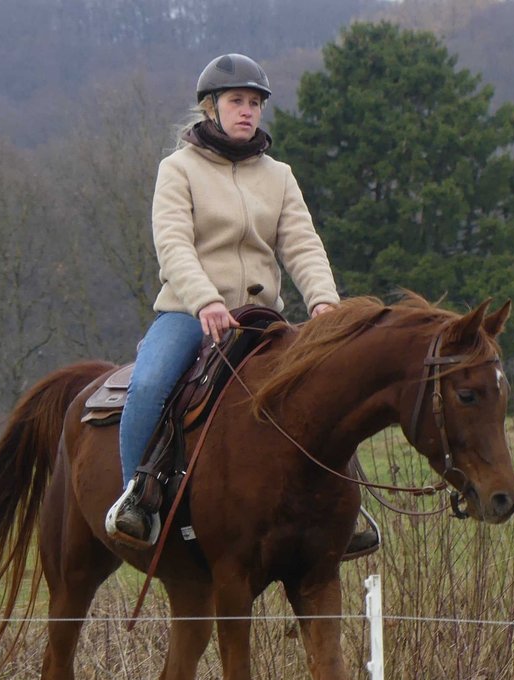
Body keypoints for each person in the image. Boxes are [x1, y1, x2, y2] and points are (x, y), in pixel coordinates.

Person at [105, 53, 376, 557]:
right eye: (236, 101)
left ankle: (345, 508)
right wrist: (205, 299)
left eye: (255, 102)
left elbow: (302, 244)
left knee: (327, 383)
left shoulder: (279, 175)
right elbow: (173, 244)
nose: (247, 110)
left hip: (262, 322)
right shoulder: (178, 169)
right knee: (150, 381)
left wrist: (324, 303)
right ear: (210, 107)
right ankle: (136, 499)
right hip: (190, 314)